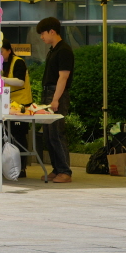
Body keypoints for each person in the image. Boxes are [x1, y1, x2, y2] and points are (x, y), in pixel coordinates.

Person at [37, 16, 75, 184]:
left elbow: (63, 77)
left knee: (57, 133)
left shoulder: (64, 50)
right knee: (48, 134)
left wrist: (55, 99)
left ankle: (65, 170)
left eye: (43, 33)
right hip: (48, 92)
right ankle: (56, 168)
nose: (41, 37)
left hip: (56, 93)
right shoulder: (53, 49)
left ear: (52, 31)